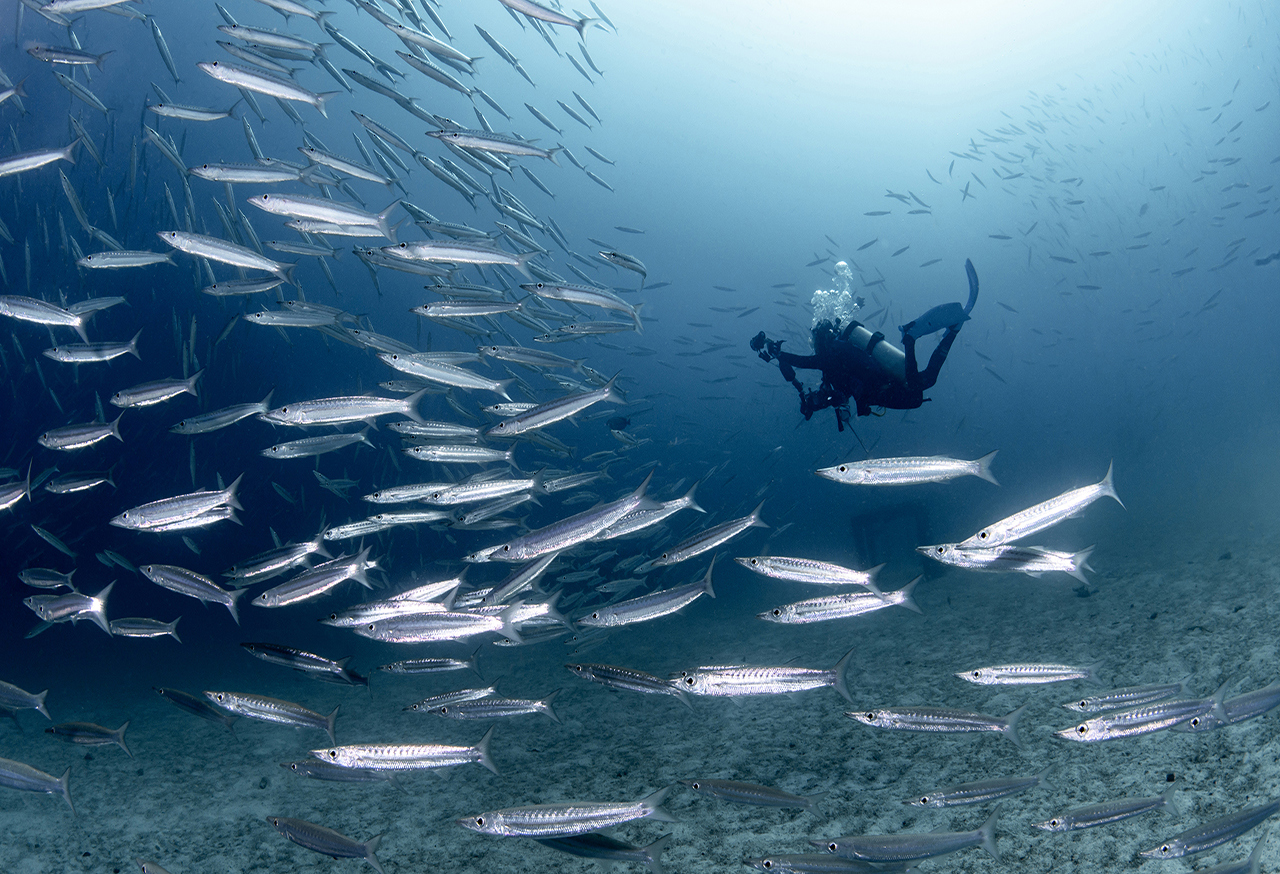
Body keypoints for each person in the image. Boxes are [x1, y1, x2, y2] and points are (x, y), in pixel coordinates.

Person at [751, 259, 977, 431]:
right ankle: (953, 331)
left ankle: (910, 339)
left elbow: (805, 362)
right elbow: (833, 386)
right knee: (923, 384)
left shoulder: (828, 358)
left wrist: (780, 354)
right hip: (881, 382)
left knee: (920, 384)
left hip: (880, 386)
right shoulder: (834, 358)